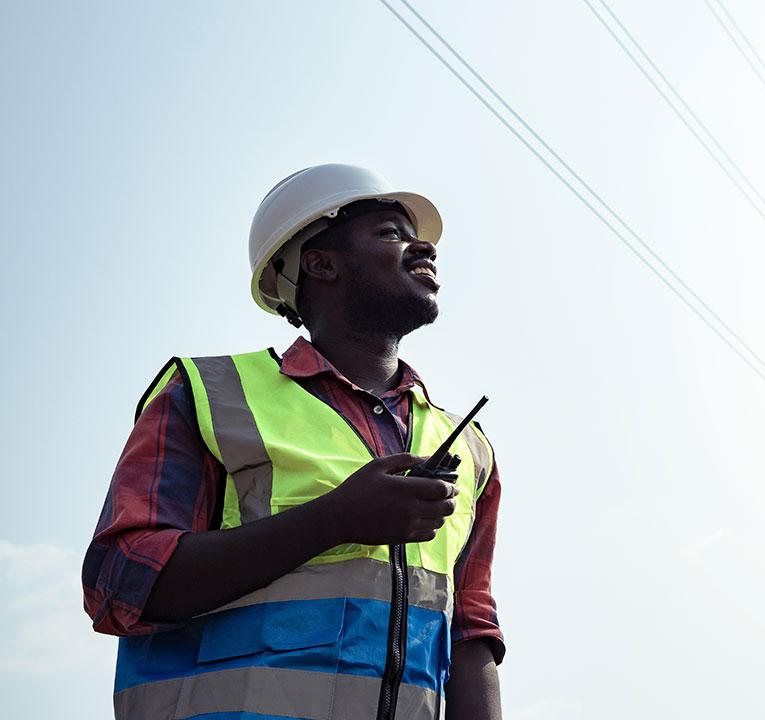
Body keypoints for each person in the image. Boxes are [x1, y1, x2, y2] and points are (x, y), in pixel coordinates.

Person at [82, 164, 504, 719]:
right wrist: (334, 519)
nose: (422, 246)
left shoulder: (470, 450)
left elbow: (469, 633)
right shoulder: (208, 394)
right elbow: (121, 581)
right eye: (389, 233)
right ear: (321, 263)